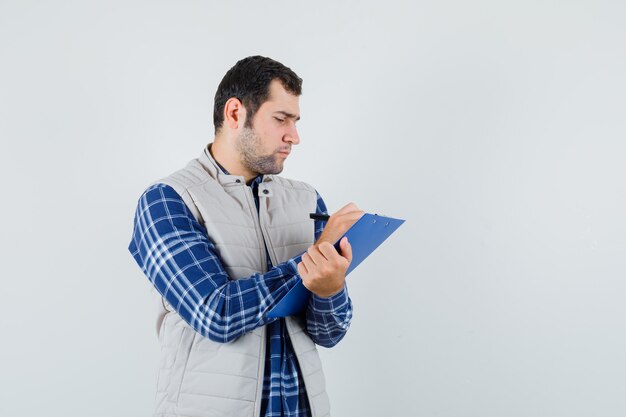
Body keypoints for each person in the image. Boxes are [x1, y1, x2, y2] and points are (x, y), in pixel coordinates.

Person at [128, 55, 364, 417]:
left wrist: (330, 287)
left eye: (296, 121)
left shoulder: (306, 199)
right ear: (235, 113)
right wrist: (312, 259)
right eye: (281, 119)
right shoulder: (167, 199)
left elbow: (328, 333)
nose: (294, 136)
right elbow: (215, 314)